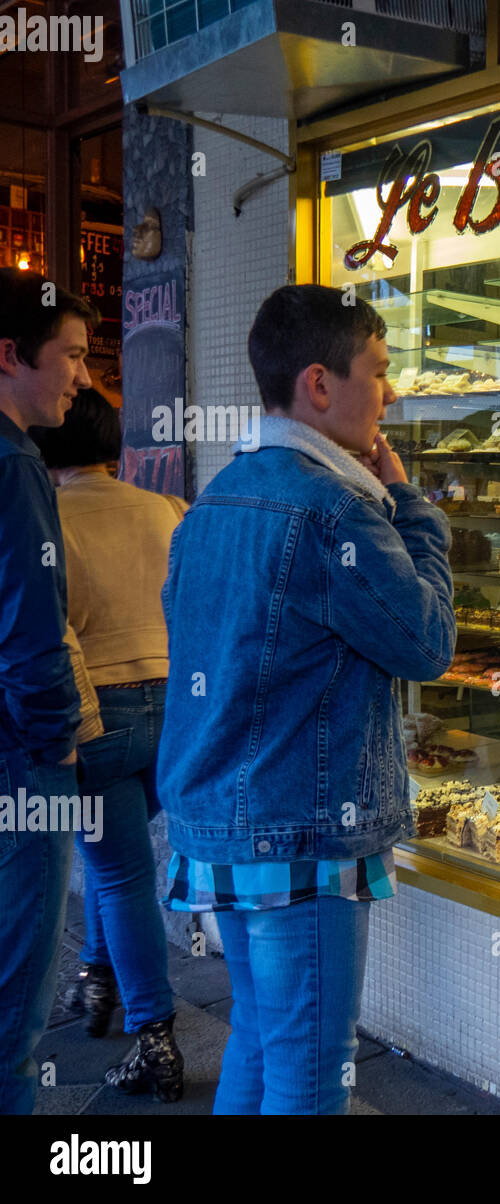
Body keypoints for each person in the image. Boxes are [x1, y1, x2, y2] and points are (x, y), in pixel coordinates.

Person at [158, 284, 455, 1114]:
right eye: (380, 371)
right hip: (300, 828)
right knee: (312, 1070)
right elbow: (427, 641)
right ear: (320, 384)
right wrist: (413, 511)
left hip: (217, 817)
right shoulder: (336, 510)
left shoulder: (213, 500)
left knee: (257, 1035)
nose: (389, 394)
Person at [31, 389, 188, 1100]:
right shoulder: (164, 509)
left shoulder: (45, 518)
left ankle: (154, 1035)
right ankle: (98, 978)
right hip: (179, 712)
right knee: (114, 862)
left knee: (121, 874)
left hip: (103, 713)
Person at [0, 268, 97, 1114]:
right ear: (9, 355)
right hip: (20, 761)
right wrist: (55, 737)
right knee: (14, 1014)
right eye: (69, 355)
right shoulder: (15, 465)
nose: (82, 375)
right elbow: (31, 628)